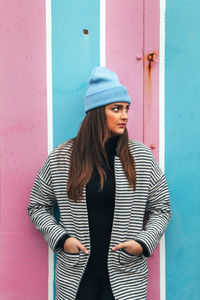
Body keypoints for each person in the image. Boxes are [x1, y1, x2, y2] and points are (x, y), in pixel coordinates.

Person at [28, 66, 172, 300]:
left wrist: (142, 242)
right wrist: (62, 240)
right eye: (116, 109)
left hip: (127, 275)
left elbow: (161, 209)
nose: (124, 115)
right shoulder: (62, 158)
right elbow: (37, 206)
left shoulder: (141, 157)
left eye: (126, 109)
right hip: (77, 277)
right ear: (96, 112)